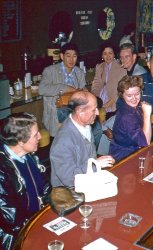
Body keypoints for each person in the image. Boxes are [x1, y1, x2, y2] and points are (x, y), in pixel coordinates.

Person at [0, 113, 51, 250]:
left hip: (38, 222)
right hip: (17, 237)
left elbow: (46, 189)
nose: (40, 137)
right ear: (20, 142)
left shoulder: (30, 157)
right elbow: (12, 219)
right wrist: (42, 226)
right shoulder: (2, 171)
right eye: (35, 135)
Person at [50, 91, 115, 187]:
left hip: (87, 181)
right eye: (94, 110)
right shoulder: (63, 141)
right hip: (71, 193)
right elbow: (69, 179)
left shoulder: (86, 125)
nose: (97, 113)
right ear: (80, 112)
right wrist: (96, 165)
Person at [39, 43, 86, 137]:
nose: (71, 59)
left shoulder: (79, 72)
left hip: (75, 108)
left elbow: (83, 90)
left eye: (74, 56)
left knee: (96, 128)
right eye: (68, 56)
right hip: (57, 110)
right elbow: (42, 89)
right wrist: (65, 88)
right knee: (77, 125)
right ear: (61, 56)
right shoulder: (50, 71)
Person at [109, 75, 152, 162]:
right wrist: (147, 116)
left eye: (137, 94)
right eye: (129, 96)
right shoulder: (127, 116)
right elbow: (146, 142)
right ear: (122, 95)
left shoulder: (135, 107)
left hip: (133, 150)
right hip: (124, 157)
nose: (134, 99)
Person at [91, 43, 127, 114]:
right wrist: (94, 98)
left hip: (114, 99)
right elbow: (96, 83)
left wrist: (107, 105)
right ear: (102, 55)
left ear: (114, 54)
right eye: (105, 53)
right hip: (100, 97)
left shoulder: (121, 68)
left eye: (110, 53)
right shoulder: (100, 67)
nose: (108, 56)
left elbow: (120, 89)